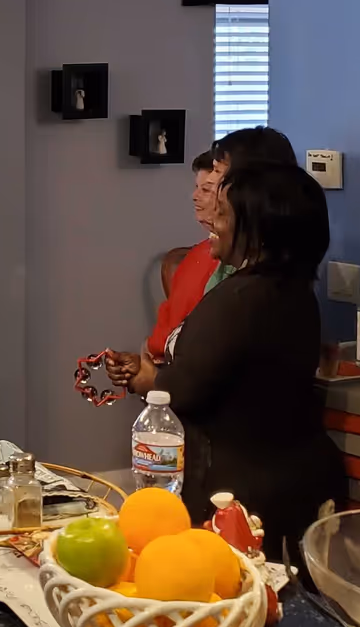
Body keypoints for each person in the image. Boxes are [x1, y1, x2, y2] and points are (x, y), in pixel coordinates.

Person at [157, 161, 345, 554]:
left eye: (223, 214)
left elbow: (182, 391)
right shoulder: (296, 293)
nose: (213, 221)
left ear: (257, 231)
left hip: (240, 499)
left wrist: (148, 380)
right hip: (296, 486)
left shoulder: (239, 301)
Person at [109, 127, 295, 394]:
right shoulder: (210, 262)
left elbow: (209, 385)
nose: (205, 196)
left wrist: (154, 382)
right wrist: (147, 369)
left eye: (218, 177)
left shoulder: (257, 291)